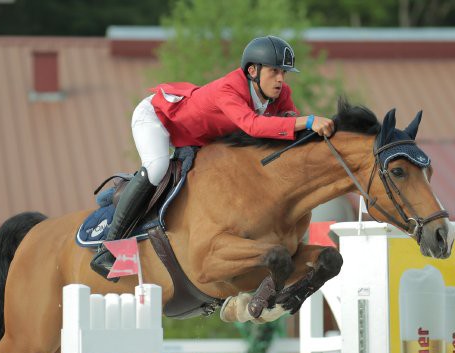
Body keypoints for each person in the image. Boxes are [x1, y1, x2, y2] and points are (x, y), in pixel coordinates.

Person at [91, 35, 336, 278]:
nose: (281, 79)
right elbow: (253, 126)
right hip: (158, 117)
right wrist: (309, 120)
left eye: (284, 72)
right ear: (253, 70)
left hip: (196, 138)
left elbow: (288, 126)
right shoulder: (228, 89)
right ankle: (108, 249)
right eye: (274, 71)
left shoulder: (280, 93)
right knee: (157, 167)